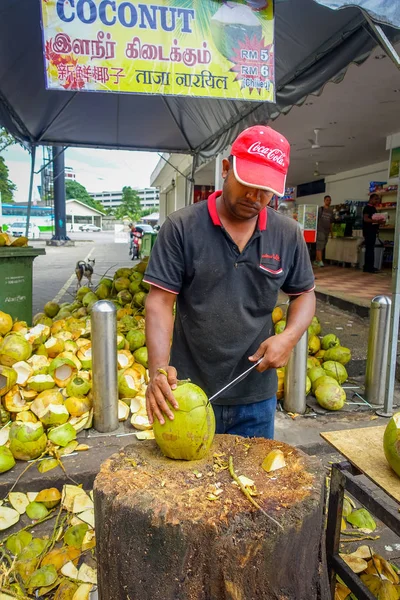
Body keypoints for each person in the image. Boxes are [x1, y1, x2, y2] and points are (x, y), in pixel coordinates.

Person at [143, 125, 316, 439]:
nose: (255, 196)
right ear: (226, 169)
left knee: (249, 485)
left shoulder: (287, 234)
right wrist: (157, 369)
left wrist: (289, 337)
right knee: (188, 485)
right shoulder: (181, 227)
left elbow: (304, 294)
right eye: (248, 183)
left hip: (256, 397)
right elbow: (159, 301)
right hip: (185, 393)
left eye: (266, 190)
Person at [362, 193, 382, 273]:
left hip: (373, 231)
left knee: (371, 249)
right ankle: (368, 268)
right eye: (375, 199)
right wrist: (376, 221)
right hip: (368, 231)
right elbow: (366, 219)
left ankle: (370, 266)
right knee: (369, 249)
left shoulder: (374, 208)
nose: (377, 201)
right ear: (371, 199)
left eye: (378, 199)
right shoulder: (367, 208)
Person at [314, 195, 333, 267]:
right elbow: (316, 219)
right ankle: (320, 261)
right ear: (324, 201)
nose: (329, 201)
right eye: (327, 200)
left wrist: (331, 232)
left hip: (327, 231)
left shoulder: (331, 211)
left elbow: (331, 222)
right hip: (320, 230)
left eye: (330, 200)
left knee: (323, 245)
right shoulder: (320, 209)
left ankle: (317, 260)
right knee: (320, 245)